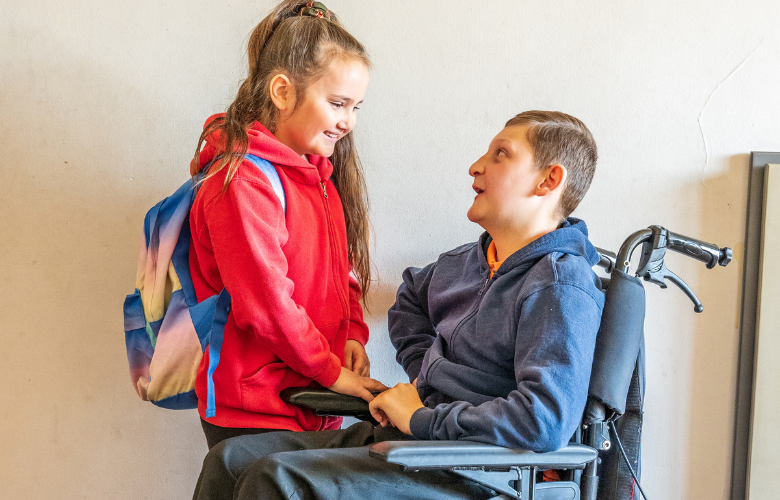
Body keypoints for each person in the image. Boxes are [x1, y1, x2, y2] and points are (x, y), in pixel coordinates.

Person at [192, 110, 605, 500]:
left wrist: (421, 418)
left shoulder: (559, 285)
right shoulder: (465, 263)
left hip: (478, 469)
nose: (476, 166)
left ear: (549, 181)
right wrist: (427, 379)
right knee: (230, 460)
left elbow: (545, 419)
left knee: (275, 481)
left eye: (501, 154)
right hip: (420, 441)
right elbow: (409, 300)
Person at [188, 0, 387, 451]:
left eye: (356, 107)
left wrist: (353, 334)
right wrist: (330, 370)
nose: (347, 122)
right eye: (338, 103)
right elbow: (266, 302)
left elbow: (344, 272)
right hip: (255, 406)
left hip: (312, 397)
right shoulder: (241, 180)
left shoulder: (320, 180)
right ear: (281, 90)